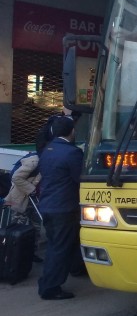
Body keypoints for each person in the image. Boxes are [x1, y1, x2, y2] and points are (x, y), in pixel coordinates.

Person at [37, 116, 85, 300]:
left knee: (58, 244)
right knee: (59, 248)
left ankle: (75, 268)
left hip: (48, 205)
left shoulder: (47, 150)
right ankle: (50, 287)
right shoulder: (72, 153)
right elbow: (79, 178)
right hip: (64, 208)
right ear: (72, 131)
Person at [3, 150, 43, 262]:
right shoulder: (34, 161)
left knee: (36, 228)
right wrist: (31, 189)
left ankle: (32, 254)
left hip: (35, 200)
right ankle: (11, 254)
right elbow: (16, 178)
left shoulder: (46, 161)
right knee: (16, 228)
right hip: (21, 198)